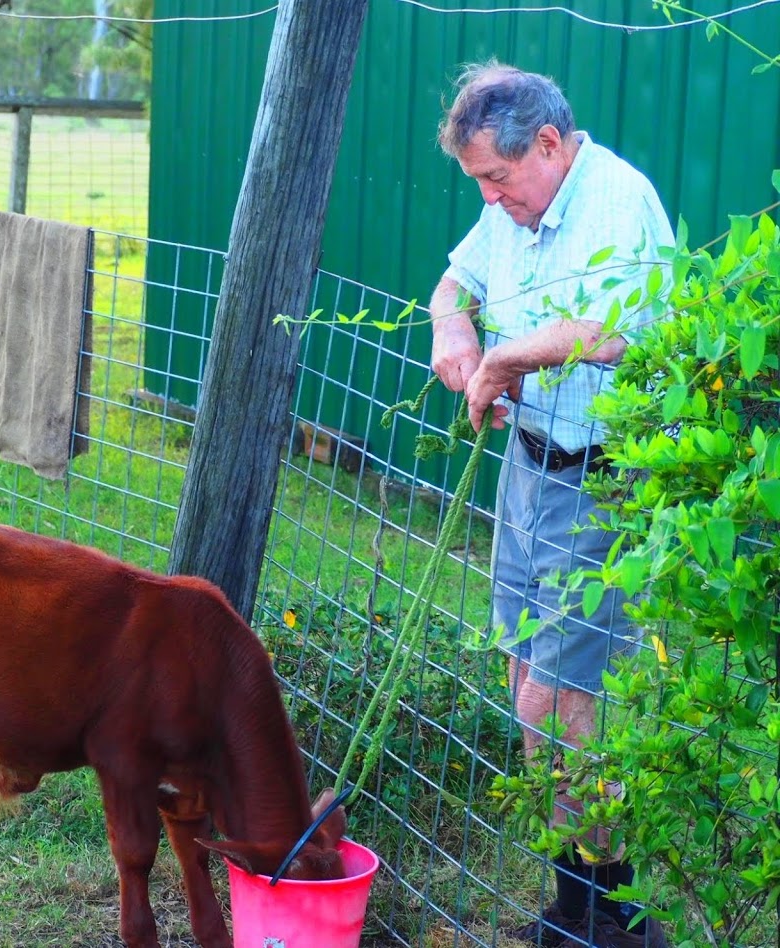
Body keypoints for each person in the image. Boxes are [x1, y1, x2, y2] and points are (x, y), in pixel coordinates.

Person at [429, 62, 674, 947]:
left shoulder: (617, 202)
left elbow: (609, 330)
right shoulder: (512, 207)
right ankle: (574, 899)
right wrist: (452, 324)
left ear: (546, 145)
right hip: (529, 470)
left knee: (559, 701)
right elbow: (457, 282)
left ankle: (613, 908)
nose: (491, 200)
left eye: (496, 178)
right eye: (479, 186)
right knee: (522, 672)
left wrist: (503, 361)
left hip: (602, 476)